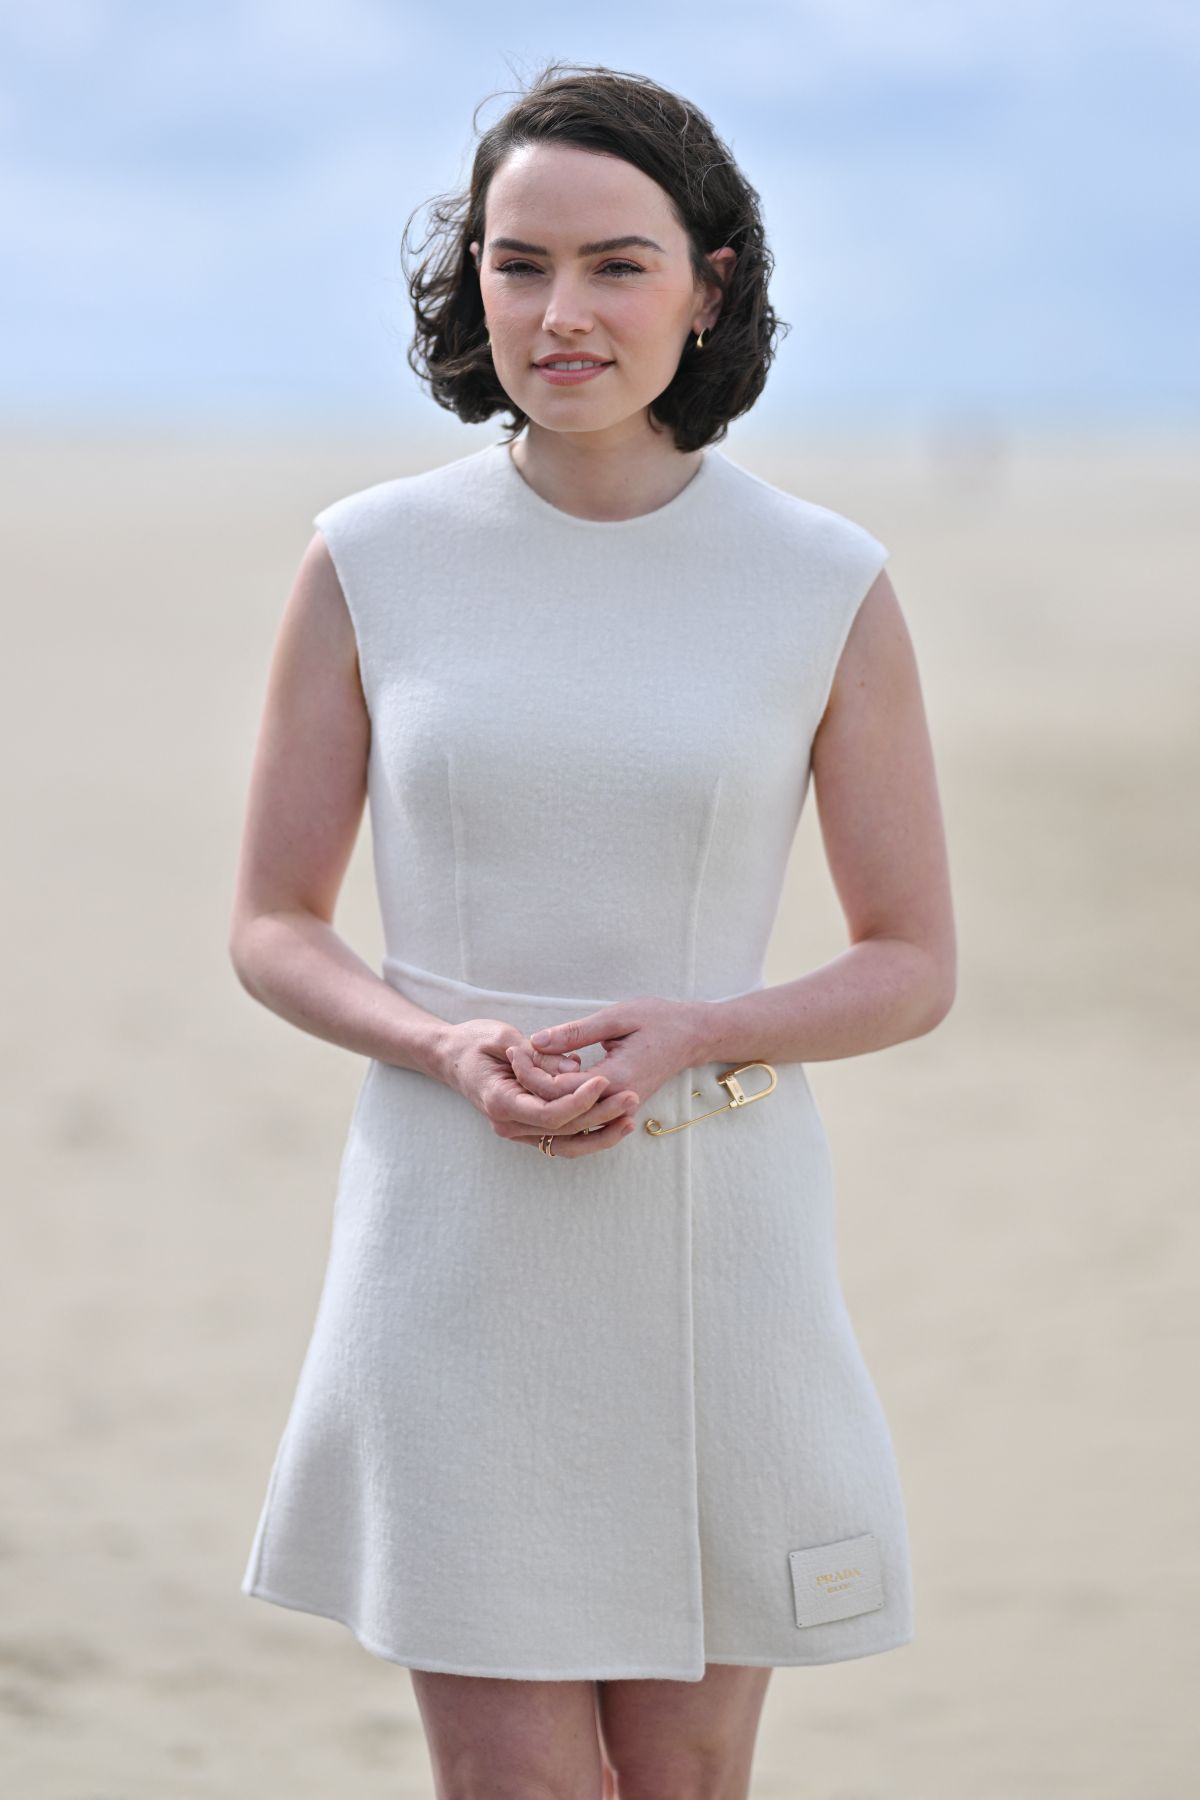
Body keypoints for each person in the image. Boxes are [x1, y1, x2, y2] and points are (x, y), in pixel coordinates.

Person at [230, 59, 956, 1800]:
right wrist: (439, 1041)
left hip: (722, 1228)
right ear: (469, 282)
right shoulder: (370, 557)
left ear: (710, 285)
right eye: (518, 261)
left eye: (617, 264)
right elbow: (271, 920)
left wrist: (707, 1025)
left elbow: (911, 959)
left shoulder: (822, 579)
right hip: (457, 1232)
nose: (561, 313)